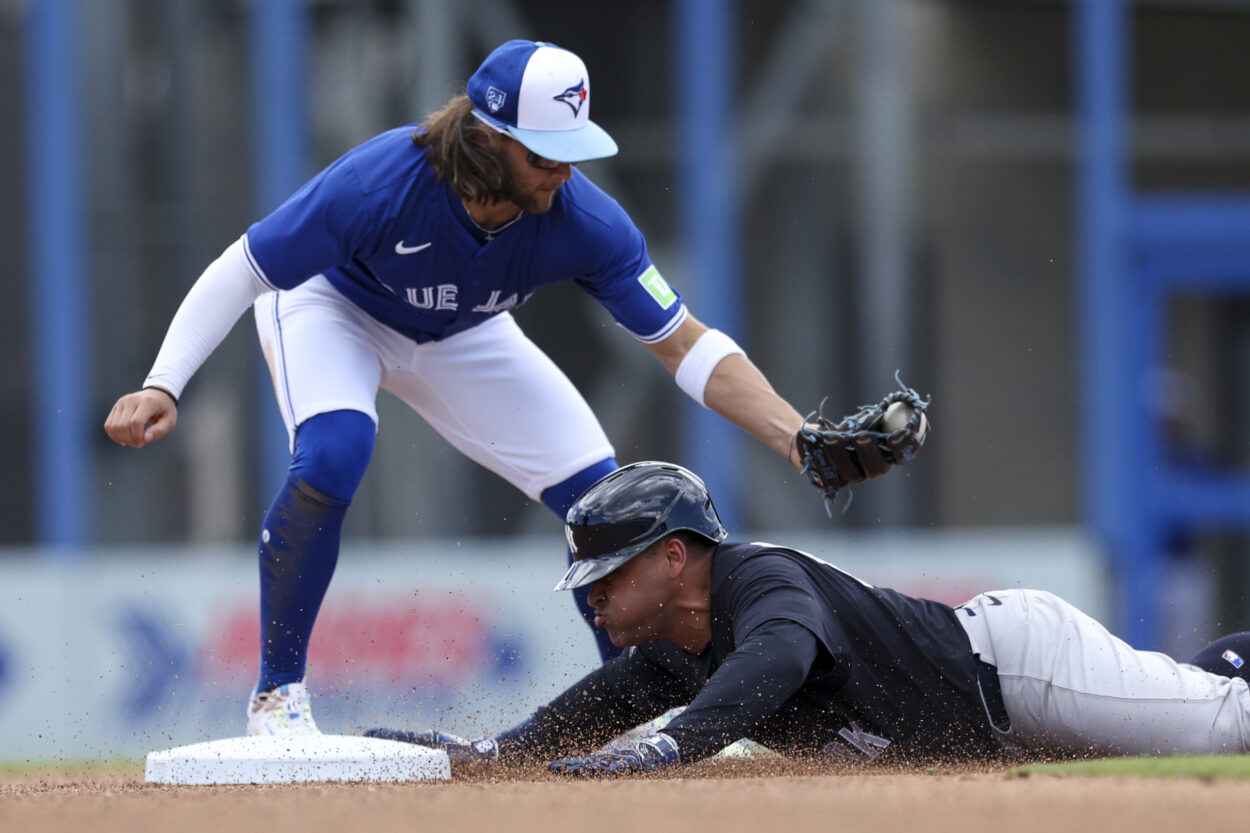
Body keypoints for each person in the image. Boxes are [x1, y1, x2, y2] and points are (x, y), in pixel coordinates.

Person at [102, 40, 806, 738]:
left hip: (464, 331)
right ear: (487, 137)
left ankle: (634, 718)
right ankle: (276, 697)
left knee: (603, 502)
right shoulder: (378, 183)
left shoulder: (583, 220)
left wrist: (796, 435)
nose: (563, 171)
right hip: (333, 307)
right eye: (544, 153)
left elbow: (684, 343)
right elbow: (241, 270)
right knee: (335, 451)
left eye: (573, 151)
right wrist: (164, 383)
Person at [365, 460, 1250, 775]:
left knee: (1225, 731)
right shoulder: (678, 645)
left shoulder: (761, 580)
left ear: (673, 557)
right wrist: (495, 754)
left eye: (610, 571)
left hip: (1016, 670)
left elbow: (781, 657)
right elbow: (596, 707)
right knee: (1190, 706)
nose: (592, 593)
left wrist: (668, 748)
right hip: (993, 731)